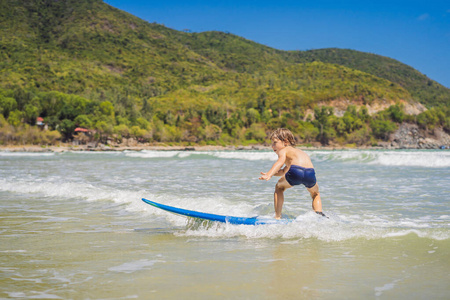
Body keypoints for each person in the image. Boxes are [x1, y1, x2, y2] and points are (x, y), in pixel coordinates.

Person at [259, 128, 326, 219]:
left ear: (285, 142)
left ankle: (277, 217)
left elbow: (280, 162)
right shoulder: (299, 153)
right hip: (310, 173)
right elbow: (283, 171)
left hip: (296, 171)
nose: (272, 146)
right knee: (315, 193)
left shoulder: (284, 150)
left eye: (275, 143)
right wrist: (272, 173)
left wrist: (269, 174)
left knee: (279, 187)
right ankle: (319, 216)